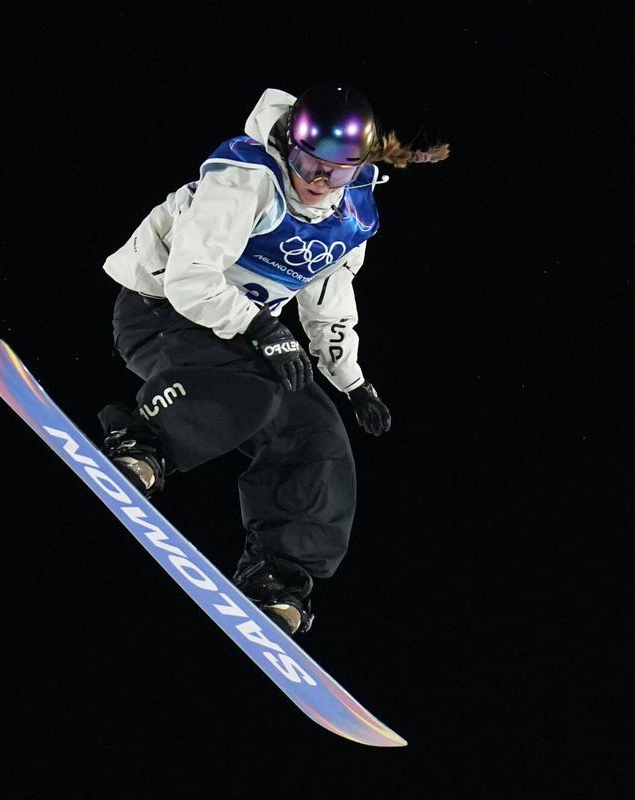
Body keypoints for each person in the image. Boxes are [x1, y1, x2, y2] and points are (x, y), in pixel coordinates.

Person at [97, 83, 449, 635]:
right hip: (161, 311)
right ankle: (143, 442)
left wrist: (353, 383)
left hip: (242, 335)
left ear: (358, 168)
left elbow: (328, 300)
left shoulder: (352, 215)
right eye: (308, 164)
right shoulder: (245, 179)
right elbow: (191, 277)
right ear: (290, 144)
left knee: (317, 437)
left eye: (336, 172)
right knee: (255, 385)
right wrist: (263, 329)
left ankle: (276, 576)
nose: (316, 183)